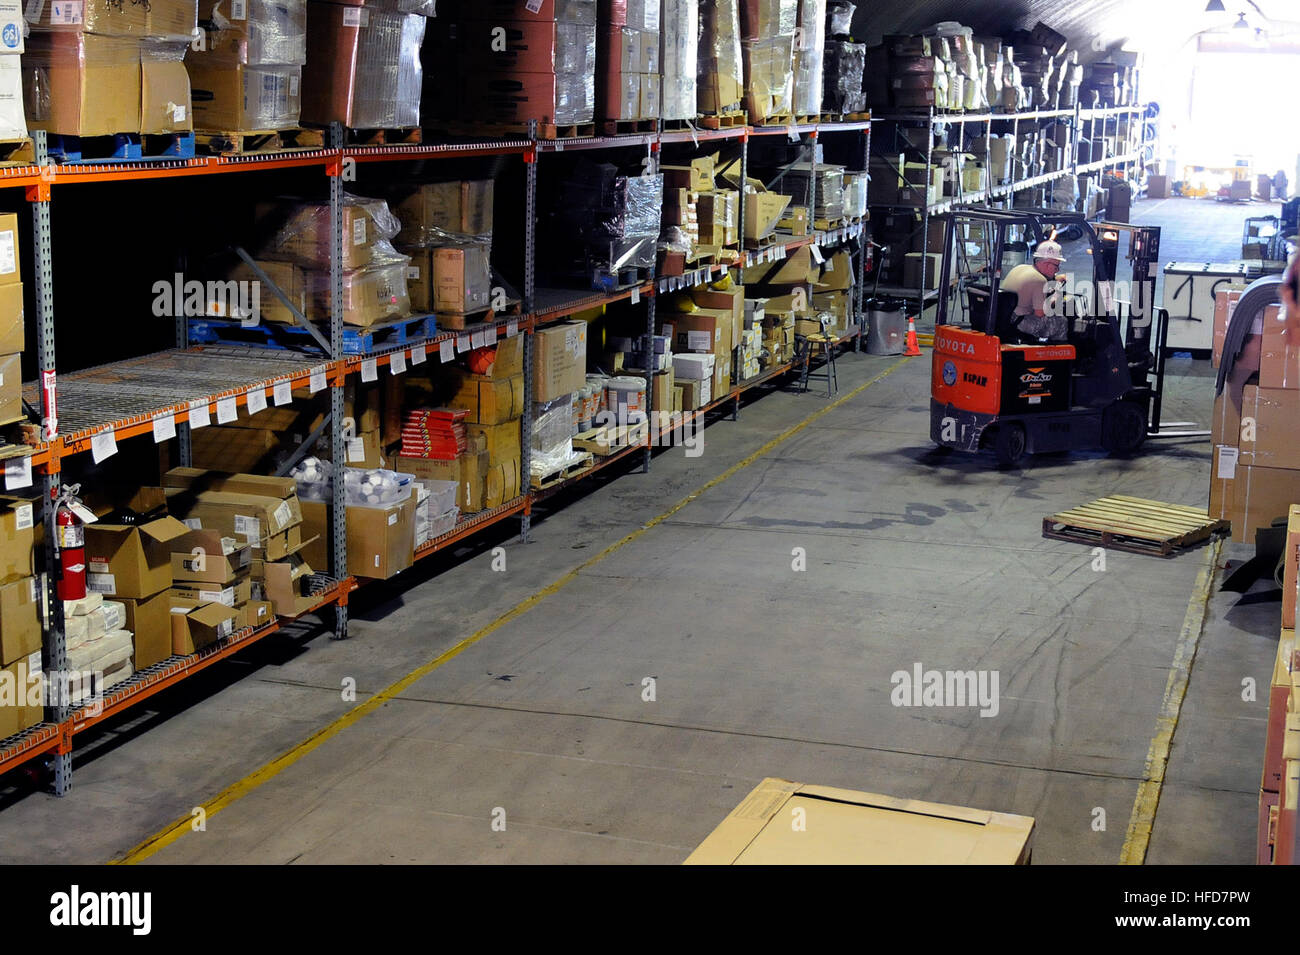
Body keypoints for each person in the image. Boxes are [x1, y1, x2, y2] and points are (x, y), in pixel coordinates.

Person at [1000, 239, 1068, 342]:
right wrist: (1055, 299)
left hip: (1006, 317)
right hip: (1021, 322)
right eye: (1056, 266)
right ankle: (1060, 352)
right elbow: (1040, 314)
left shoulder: (1021, 267)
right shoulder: (1039, 280)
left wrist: (1055, 279)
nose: (1057, 270)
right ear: (1046, 264)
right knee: (1061, 321)